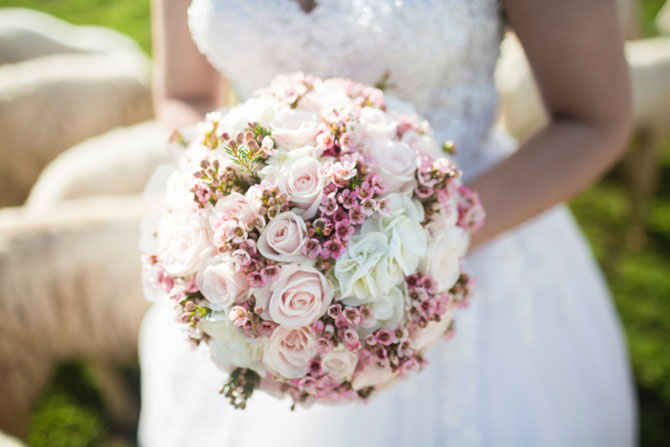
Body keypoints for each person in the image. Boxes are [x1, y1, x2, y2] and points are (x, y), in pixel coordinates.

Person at [139, 0, 638, 445]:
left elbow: (591, 119)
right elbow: (186, 93)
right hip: (250, 274)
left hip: (478, 242)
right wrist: (223, 212)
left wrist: (430, 235)